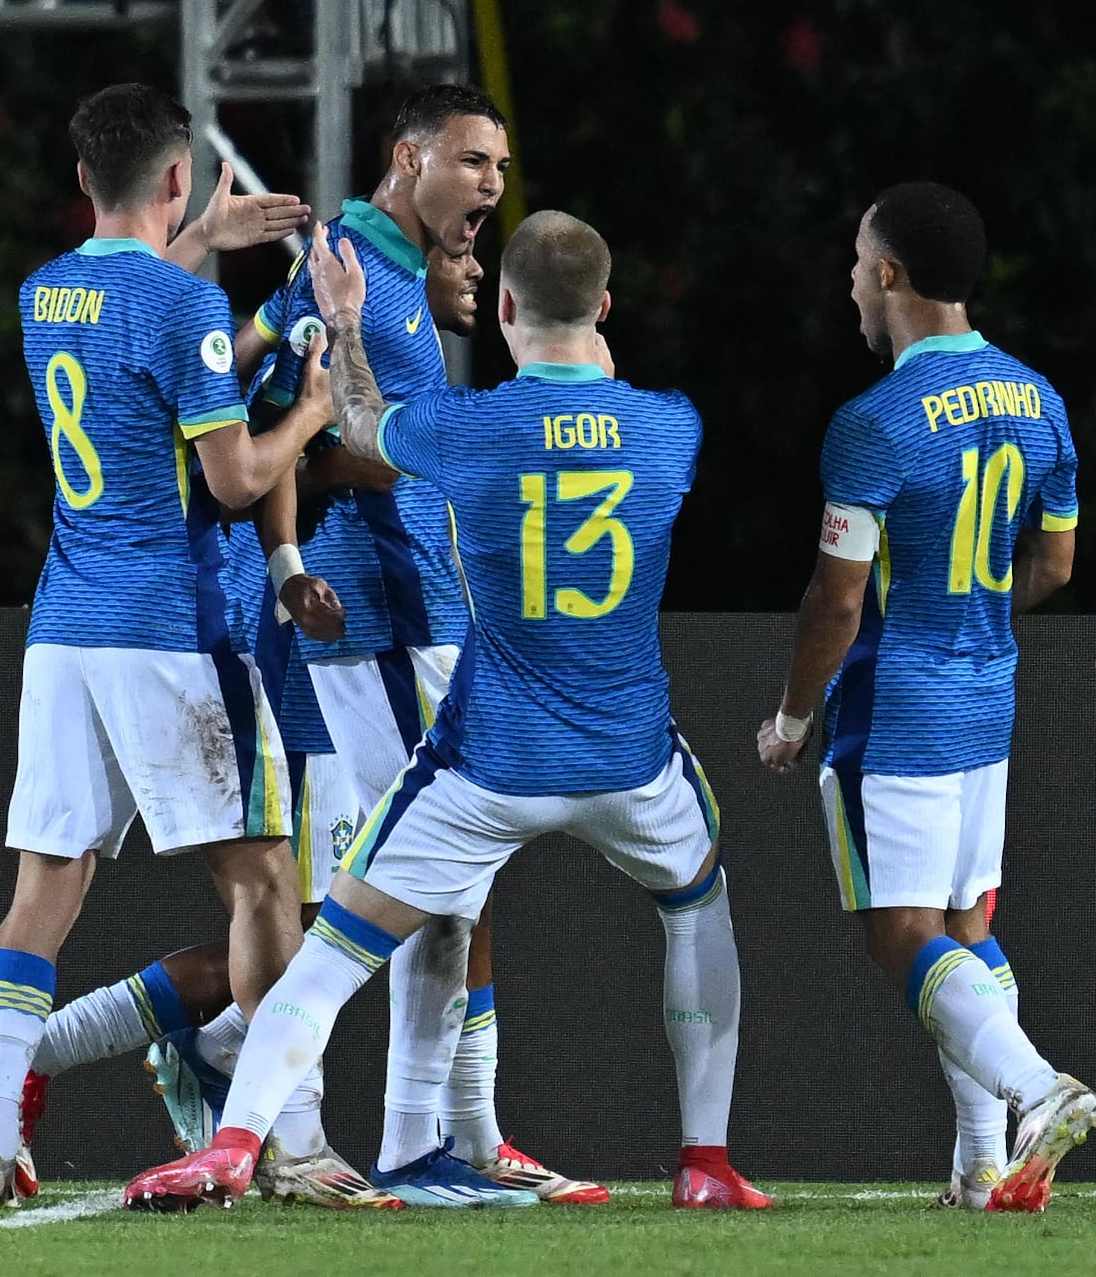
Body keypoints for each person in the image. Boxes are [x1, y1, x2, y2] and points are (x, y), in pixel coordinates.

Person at [122, 211, 766, 1213]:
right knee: (698, 907)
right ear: (603, 308)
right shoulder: (669, 424)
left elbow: (369, 427)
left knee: (332, 947)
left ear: (502, 308)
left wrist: (340, 326)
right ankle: (705, 1160)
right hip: (628, 761)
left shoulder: (472, 429)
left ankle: (233, 1143)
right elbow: (596, 417)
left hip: (489, 760)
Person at [0, 250, 497, 1212]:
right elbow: (261, 461)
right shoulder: (289, 314)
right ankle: (298, 1138)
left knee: (307, 921)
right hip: (255, 656)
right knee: (298, 910)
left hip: (122, 626)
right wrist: (326, 413)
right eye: (463, 233)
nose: (470, 257)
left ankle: (41, 1084)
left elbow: (191, 379)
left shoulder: (70, 291)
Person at [202, 84, 598, 1208]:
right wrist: (286, 568)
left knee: (444, 879)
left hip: (421, 613)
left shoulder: (392, 271)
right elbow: (284, 427)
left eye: (500, 167)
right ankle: (363, 1135)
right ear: (407, 156)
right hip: (372, 616)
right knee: (419, 873)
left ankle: (443, 1134)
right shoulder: (348, 270)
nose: (491, 185)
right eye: (473, 160)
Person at [0, 83, 331, 1207]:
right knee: (267, 883)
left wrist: (204, 245)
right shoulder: (183, 313)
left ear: (84, 180)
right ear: (176, 179)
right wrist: (305, 415)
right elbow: (232, 478)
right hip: (169, 628)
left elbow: (137, 338)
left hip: (63, 630)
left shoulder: (43, 293)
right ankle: (288, 1140)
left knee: (41, 895)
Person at [753, 182, 1096, 1214]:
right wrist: (974, 617)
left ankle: (1037, 1088)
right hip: (984, 697)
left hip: (893, 706)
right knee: (961, 924)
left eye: (858, 263)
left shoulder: (873, 421)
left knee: (899, 935)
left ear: (891, 275)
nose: (850, 281)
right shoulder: (1038, 397)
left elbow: (836, 597)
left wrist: (793, 716)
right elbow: (1056, 563)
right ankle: (980, 1167)